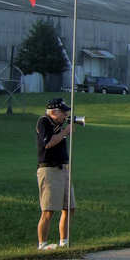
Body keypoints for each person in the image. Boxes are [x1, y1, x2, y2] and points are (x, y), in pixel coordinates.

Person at [36, 98, 77, 251]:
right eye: (63, 112)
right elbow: (48, 143)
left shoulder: (58, 125)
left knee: (69, 207)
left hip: (64, 169)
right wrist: (65, 131)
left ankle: (64, 242)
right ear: (53, 112)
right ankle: (42, 244)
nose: (66, 115)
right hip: (49, 169)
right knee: (48, 209)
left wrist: (65, 128)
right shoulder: (44, 122)